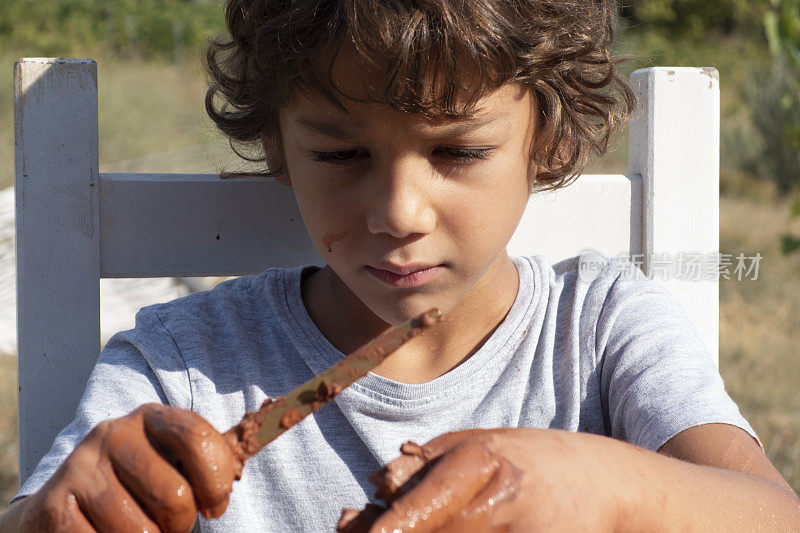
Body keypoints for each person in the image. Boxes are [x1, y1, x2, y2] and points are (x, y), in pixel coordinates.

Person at [3, 0, 799, 531]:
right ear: (278, 144)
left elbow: (771, 512)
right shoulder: (182, 367)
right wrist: (54, 514)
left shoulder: (600, 329)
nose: (398, 213)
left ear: (547, 138)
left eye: (458, 150)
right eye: (342, 152)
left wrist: (596, 486)